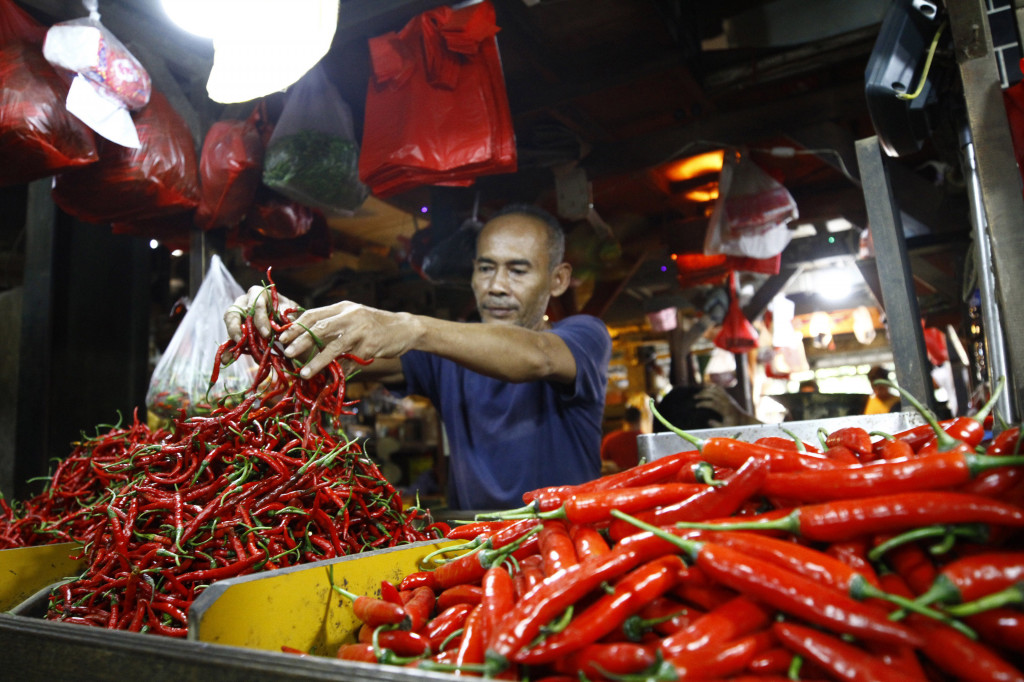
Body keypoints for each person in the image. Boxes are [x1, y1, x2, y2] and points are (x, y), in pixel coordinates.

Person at [225, 204, 612, 511]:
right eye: (486, 268)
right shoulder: (445, 355)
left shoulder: (584, 336)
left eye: (518, 271)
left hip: (569, 548)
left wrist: (411, 327)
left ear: (558, 280)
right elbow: (328, 353)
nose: (496, 286)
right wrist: (281, 320)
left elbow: (538, 356)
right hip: (475, 549)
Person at [600, 405, 642, 475]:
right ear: (639, 420)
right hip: (640, 478)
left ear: (623, 421)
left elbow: (602, 465)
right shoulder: (644, 440)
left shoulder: (609, 439)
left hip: (617, 479)